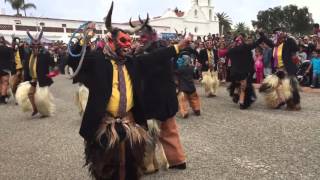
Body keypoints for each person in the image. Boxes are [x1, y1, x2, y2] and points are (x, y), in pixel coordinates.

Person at [68, 2, 190, 180]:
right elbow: (73, 59)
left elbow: (156, 57)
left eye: (130, 41)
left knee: (131, 165)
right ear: (111, 41)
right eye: (124, 41)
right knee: (106, 166)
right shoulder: (98, 61)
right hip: (105, 125)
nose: (128, 45)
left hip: (129, 122)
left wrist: (179, 46)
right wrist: (83, 39)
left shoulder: (132, 62)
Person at [15, 30, 57, 117]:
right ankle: (35, 109)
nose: (35, 48)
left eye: (37, 46)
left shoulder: (45, 54)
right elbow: (26, 65)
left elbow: (52, 63)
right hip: (33, 78)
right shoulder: (29, 55)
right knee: (30, 94)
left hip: (43, 78)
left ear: (40, 46)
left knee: (41, 98)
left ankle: (45, 111)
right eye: (33, 46)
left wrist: (55, 70)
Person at [260, 28, 301, 110]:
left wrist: (288, 37)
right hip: (279, 69)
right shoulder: (276, 45)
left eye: (276, 33)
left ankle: (295, 104)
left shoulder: (288, 42)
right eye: (274, 34)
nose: (275, 35)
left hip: (288, 69)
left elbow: (296, 48)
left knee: (290, 87)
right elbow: (268, 41)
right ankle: (279, 100)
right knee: (269, 85)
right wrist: (261, 33)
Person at [227, 33, 263, 109]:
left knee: (237, 84)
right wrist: (262, 36)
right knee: (243, 87)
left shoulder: (231, 50)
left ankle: (236, 94)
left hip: (234, 72)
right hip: (242, 72)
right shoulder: (246, 47)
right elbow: (256, 43)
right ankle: (241, 103)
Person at [176, 52, 201, 118]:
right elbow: (195, 75)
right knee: (194, 99)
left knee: (182, 100)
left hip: (183, 88)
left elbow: (175, 75)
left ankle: (184, 112)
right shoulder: (191, 68)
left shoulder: (179, 69)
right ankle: (197, 109)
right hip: (191, 87)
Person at [0, 36, 14, 104]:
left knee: (0, 83)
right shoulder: (9, 49)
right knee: (4, 83)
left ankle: (1, 95)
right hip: (5, 68)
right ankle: (2, 98)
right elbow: (12, 59)